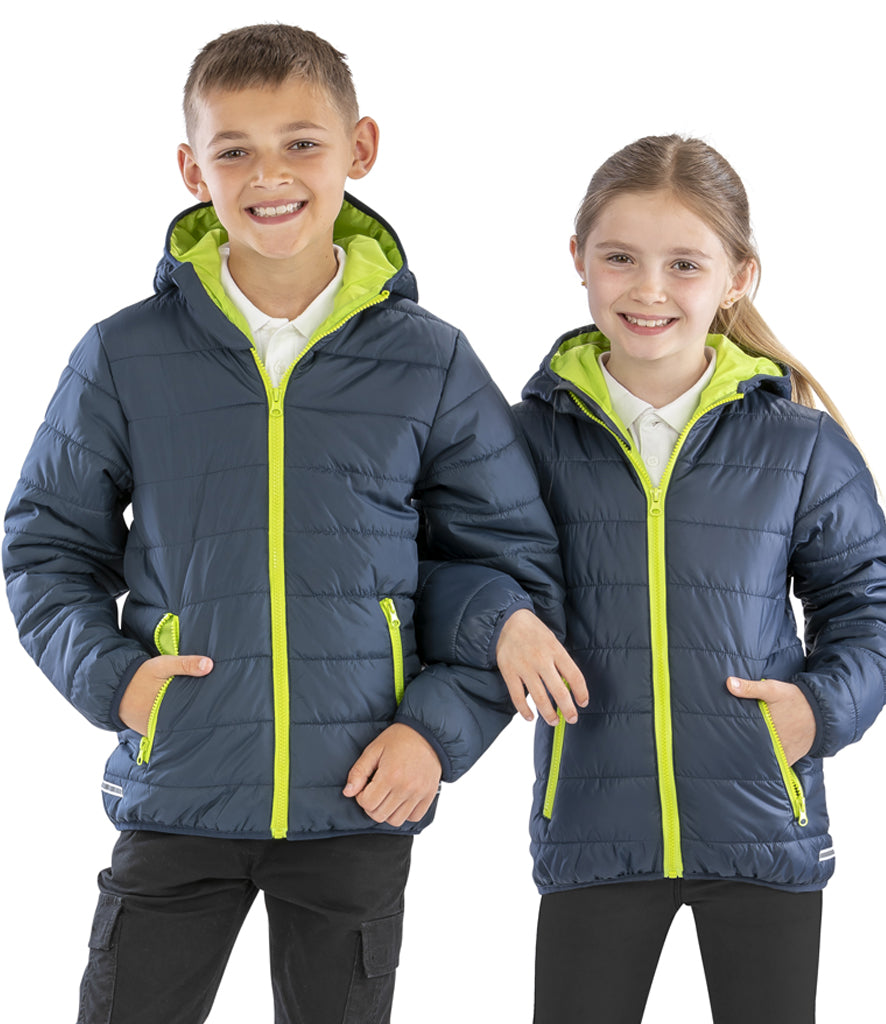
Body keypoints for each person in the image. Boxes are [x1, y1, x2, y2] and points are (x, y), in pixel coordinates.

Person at [2, 24, 568, 1024]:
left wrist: (435, 734)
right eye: (235, 150)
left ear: (360, 148)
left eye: (302, 143)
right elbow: (47, 548)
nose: (270, 175)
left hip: (359, 792)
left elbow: (506, 568)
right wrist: (116, 680)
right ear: (193, 170)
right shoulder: (122, 356)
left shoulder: (430, 362)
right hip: (180, 783)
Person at [418, 135, 886, 1023]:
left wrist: (818, 710)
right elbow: (434, 569)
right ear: (578, 259)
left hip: (762, 823)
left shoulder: (798, 445)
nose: (649, 290)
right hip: (594, 827)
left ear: (738, 277)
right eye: (620, 258)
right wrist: (501, 621)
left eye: (684, 264)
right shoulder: (521, 439)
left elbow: (869, 604)